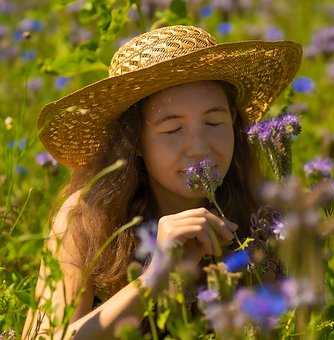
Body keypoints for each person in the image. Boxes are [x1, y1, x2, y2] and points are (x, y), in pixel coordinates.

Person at [21, 24, 302, 339]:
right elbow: (45, 337)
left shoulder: (261, 214)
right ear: (135, 142)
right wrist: (155, 277)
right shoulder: (87, 216)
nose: (199, 147)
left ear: (234, 124)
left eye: (214, 121)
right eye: (172, 130)